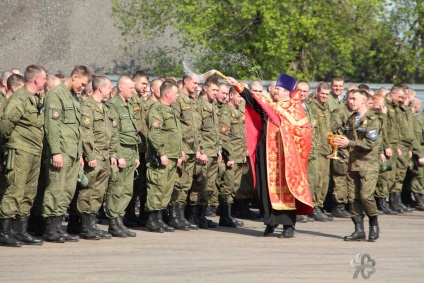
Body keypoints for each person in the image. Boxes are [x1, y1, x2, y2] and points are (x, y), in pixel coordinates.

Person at [226, 73, 314, 238]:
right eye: (275, 89)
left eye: (279, 89)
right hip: (265, 152)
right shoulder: (269, 104)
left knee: (286, 190)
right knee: (264, 189)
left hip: (285, 158)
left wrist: (287, 133)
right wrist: (238, 86)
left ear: (287, 91)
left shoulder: (295, 109)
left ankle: (288, 226)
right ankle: (270, 222)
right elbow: (252, 100)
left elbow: (304, 133)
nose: (275, 92)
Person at [43, 66, 92, 243]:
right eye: (82, 83)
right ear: (75, 76)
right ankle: (49, 228)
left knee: (68, 191)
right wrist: (56, 152)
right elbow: (52, 126)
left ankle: (57, 227)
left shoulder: (73, 97)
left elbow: (76, 128)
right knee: (56, 188)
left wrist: (79, 154)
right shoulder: (56, 95)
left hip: (72, 152)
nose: (83, 88)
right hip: (61, 150)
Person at [0, 65, 46, 247]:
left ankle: (21, 230)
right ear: (36, 79)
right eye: (43, 78)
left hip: (34, 151)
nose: (45, 81)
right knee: (14, 190)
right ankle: (4, 232)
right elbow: (5, 126)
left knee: (28, 192)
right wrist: (8, 145)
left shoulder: (34, 99)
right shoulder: (20, 99)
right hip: (20, 151)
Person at [334, 89, 383, 241]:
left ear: (364, 100)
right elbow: (347, 137)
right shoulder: (351, 119)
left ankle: (373, 223)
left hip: (368, 164)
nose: (351, 101)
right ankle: (358, 230)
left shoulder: (373, 119)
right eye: (349, 99)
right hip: (352, 163)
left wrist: (349, 143)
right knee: (353, 197)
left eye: (354, 99)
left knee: (366, 196)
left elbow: (370, 142)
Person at [77, 76, 117, 240]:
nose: (110, 90)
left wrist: (113, 154)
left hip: (105, 156)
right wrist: (89, 155)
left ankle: (92, 224)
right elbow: (86, 133)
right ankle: (85, 226)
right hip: (94, 156)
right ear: (100, 88)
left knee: (99, 192)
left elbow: (112, 133)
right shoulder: (88, 107)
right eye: (109, 87)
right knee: (88, 190)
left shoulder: (105, 108)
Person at [145, 80, 184, 232]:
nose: (177, 96)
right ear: (167, 93)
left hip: (172, 156)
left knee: (166, 189)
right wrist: (162, 153)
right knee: (157, 187)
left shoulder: (170, 109)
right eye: (175, 93)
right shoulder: (157, 109)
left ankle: (159, 219)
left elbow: (174, 134)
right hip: (161, 157)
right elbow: (154, 133)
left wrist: (179, 152)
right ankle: (152, 220)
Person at [105, 75, 140, 237]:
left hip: (131, 151)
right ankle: (113, 221)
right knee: (117, 188)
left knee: (127, 189)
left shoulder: (129, 105)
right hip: (121, 151)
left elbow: (134, 132)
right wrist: (118, 155)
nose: (134, 91)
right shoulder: (114, 105)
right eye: (131, 88)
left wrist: (137, 155)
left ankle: (120, 219)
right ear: (121, 88)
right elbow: (113, 133)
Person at [169, 74, 201, 230]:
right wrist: (179, 149)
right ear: (186, 81)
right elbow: (174, 127)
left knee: (186, 184)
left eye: (198, 84)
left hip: (191, 150)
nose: (196, 86)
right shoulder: (178, 99)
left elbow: (195, 129)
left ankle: (181, 216)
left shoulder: (191, 100)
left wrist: (198, 150)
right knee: (178, 183)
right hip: (182, 149)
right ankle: (173, 216)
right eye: (194, 83)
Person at [217, 86, 247, 227]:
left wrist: (244, 152)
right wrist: (229, 156)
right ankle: (225, 216)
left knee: (234, 186)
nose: (241, 99)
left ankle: (229, 215)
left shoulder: (238, 111)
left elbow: (242, 134)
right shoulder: (226, 112)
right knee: (227, 186)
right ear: (231, 96)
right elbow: (224, 137)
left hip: (240, 155)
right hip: (232, 156)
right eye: (239, 96)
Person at [308, 82, 333, 221]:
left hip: (326, 150)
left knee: (324, 180)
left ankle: (319, 205)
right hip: (316, 150)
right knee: (315, 180)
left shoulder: (326, 107)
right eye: (322, 93)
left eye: (326, 94)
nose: (324, 96)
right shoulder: (312, 107)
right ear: (316, 93)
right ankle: (313, 207)